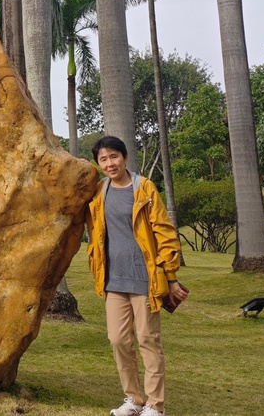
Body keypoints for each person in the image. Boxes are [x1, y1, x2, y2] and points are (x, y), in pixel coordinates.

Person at [86, 136, 187, 416]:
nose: (110, 163)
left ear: (126, 157)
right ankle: (133, 399)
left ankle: (156, 405)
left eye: (114, 157)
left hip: (145, 279)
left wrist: (170, 274)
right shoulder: (99, 192)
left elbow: (164, 232)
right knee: (118, 340)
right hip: (113, 280)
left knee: (147, 340)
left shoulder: (144, 188)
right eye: (103, 159)